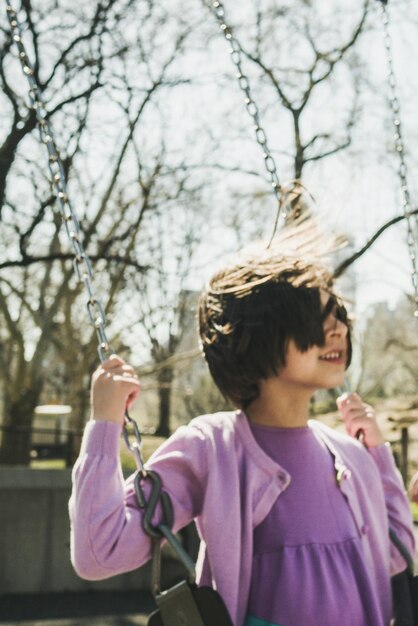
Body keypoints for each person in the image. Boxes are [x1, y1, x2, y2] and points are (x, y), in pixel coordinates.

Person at [69, 247, 415, 626]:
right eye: (317, 318)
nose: (339, 329)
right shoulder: (213, 448)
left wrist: (379, 453)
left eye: (339, 315)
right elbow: (99, 552)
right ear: (261, 334)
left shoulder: (350, 455)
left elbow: (398, 553)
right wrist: (105, 423)